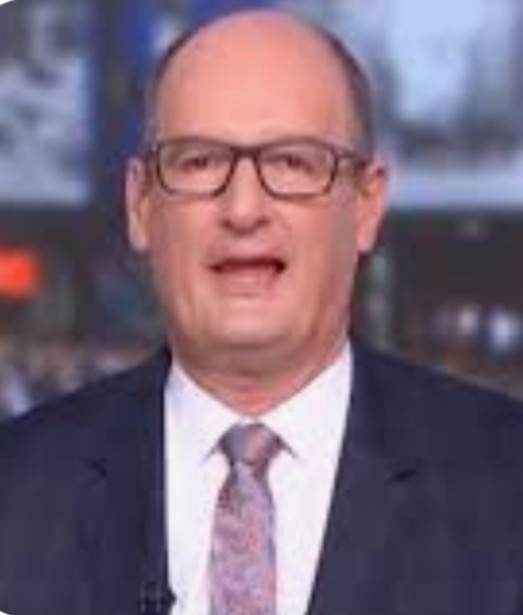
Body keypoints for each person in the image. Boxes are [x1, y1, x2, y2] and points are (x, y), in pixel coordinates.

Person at [2, 9, 523, 615]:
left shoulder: (506, 484)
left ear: (367, 205)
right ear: (140, 204)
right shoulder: (17, 491)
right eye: (199, 162)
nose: (243, 209)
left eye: (292, 162)